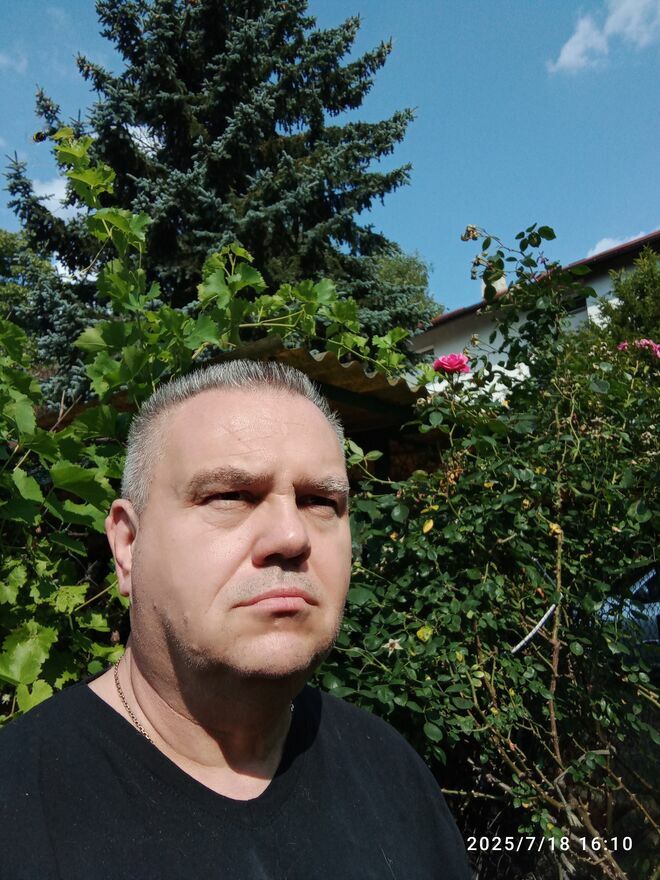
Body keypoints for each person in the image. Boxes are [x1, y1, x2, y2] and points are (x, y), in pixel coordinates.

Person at [1, 360, 470, 880]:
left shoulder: (391, 773)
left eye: (320, 502)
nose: (292, 537)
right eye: (230, 496)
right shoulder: (18, 805)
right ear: (128, 546)